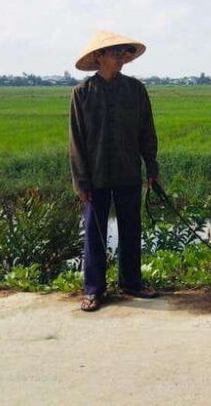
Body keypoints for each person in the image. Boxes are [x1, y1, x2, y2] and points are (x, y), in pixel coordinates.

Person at [69, 30, 160, 312]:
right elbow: (76, 140)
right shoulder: (82, 93)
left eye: (124, 53)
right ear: (99, 56)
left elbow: (147, 131)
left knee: (131, 229)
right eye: (115, 52)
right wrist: (80, 182)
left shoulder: (135, 90)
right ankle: (94, 290)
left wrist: (152, 167)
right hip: (94, 175)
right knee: (94, 234)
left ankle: (131, 283)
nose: (121, 58)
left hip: (128, 172)